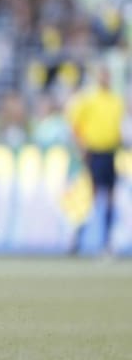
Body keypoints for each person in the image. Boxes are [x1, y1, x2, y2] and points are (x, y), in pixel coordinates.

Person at [65, 63, 124, 256]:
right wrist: (81, 146)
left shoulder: (116, 100)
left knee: (109, 198)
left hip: (110, 153)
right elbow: (75, 123)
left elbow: (119, 127)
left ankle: (106, 242)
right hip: (94, 152)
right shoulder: (88, 99)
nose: (105, 79)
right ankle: (77, 238)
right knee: (90, 197)